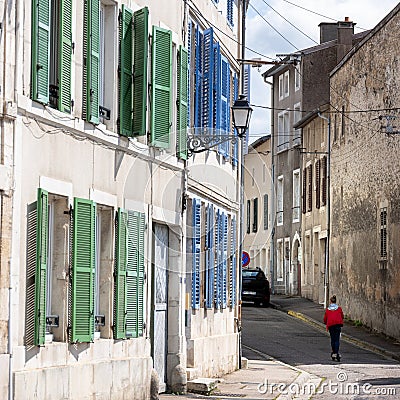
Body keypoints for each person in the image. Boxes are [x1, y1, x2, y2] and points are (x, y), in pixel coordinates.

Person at [323, 295, 344, 362]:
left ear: (330, 301)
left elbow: (325, 319)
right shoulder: (339, 309)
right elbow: (342, 316)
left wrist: (325, 322)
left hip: (331, 325)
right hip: (338, 325)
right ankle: (336, 352)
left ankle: (334, 352)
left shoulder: (328, 310)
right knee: (337, 339)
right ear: (335, 301)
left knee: (333, 339)